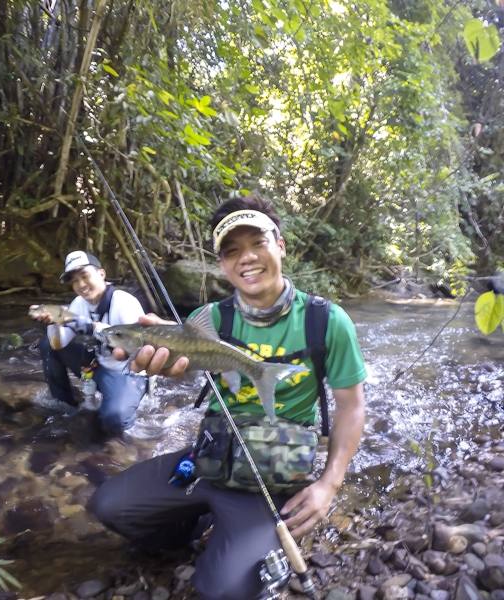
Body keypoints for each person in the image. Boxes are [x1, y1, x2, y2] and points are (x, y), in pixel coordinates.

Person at [89, 195, 366, 599]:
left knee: (222, 590)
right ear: (221, 264)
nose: (247, 258)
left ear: (281, 245)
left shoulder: (326, 321)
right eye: (232, 251)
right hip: (207, 459)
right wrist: (163, 356)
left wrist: (329, 484)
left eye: (258, 243)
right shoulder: (212, 318)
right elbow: (182, 343)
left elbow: (352, 406)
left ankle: (237, 534)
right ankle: (194, 525)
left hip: (268, 478)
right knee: (108, 506)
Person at [33, 250, 148, 435]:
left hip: (127, 371)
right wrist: (53, 323)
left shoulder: (124, 303)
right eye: (75, 281)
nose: (81, 285)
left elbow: (135, 348)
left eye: (85, 276)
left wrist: (91, 326)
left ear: (101, 274)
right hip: (97, 364)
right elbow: (57, 345)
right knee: (46, 344)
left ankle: (123, 439)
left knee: (114, 419)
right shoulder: (78, 303)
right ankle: (65, 405)